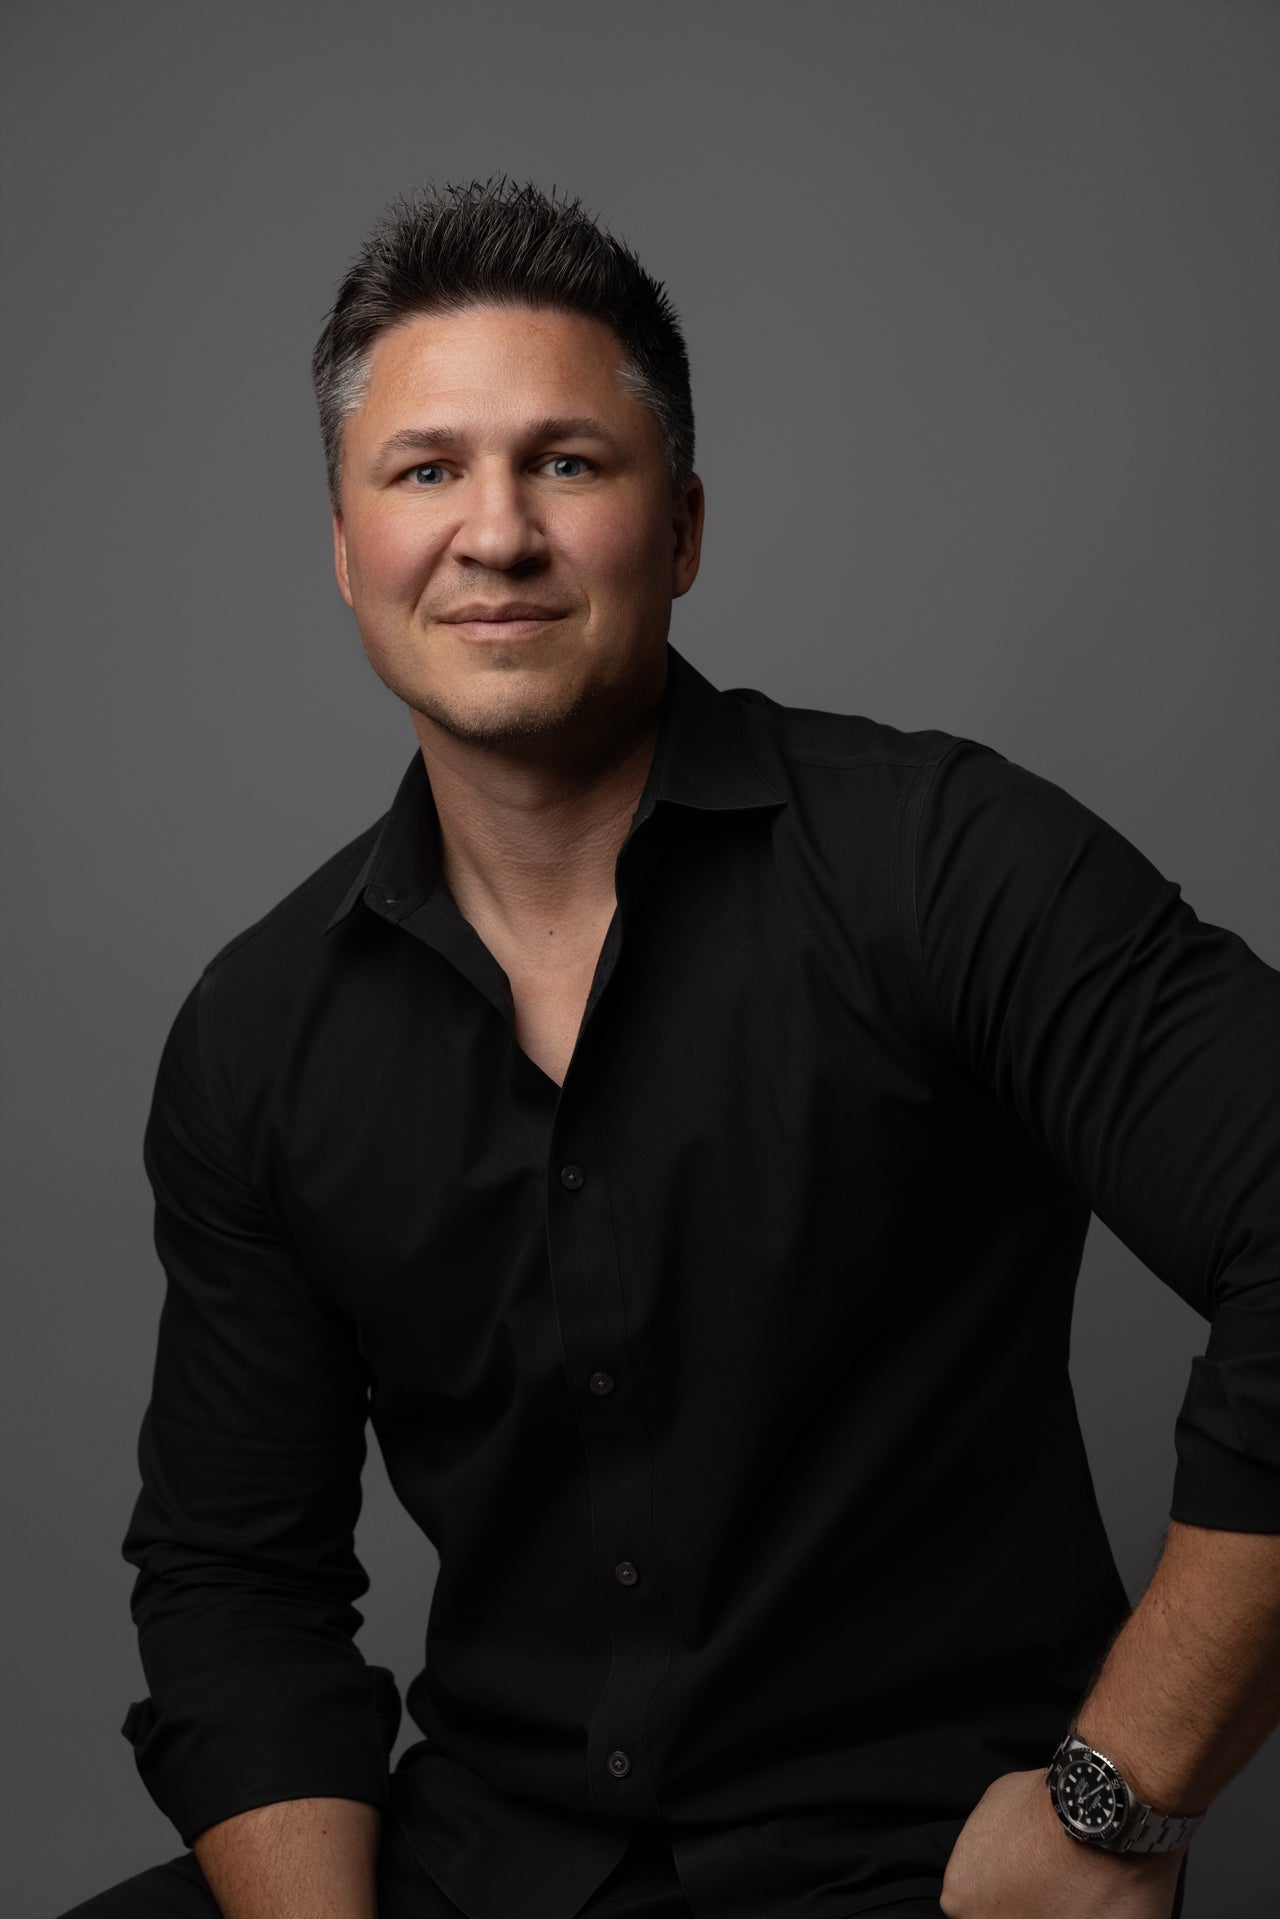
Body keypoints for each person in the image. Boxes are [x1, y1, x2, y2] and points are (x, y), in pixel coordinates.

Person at [62, 177, 1280, 1919]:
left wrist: (1116, 1807)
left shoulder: (941, 862)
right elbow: (236, 1589)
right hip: (484, 1865)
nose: (494, 534)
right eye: (425, 472)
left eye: (567, 463)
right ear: (344, 547)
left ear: (684, 527)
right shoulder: (259, 1037)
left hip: (928, 1870)